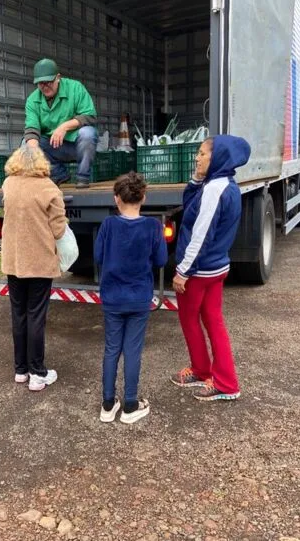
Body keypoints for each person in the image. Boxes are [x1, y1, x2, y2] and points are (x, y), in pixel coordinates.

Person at [171, 135, 249, 401]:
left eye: (202, 154)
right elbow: (191, 204)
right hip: (215, 268)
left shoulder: (215, 190)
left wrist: (183, 271)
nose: (197, 157)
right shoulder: (224, 185)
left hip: (200, 272)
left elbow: (200, 235)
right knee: (213, 321)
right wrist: (195, 179)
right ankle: (219, 378)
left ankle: (212, 376)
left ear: (217, 158)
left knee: (190, 320)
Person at [95, 172, 168, 424]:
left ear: (116, 199)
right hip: (139, 298)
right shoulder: (152, 227)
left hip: (112, 297)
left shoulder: (108, 225)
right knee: (132, 350)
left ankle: (107, 403)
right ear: (143, 197)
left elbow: (97, 256)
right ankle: (129, 404)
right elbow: (161, 260)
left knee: (111, 348)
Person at [1, 145, 67, 391]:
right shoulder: (49, 188)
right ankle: (38, 373)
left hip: (14, 261)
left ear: (16, 161)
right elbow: (59, 229)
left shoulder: (8, 184)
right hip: (39, 262)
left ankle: (21, 370)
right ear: (41, 163)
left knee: (18, 314)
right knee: (36, 315)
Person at [24, 58, 98, 189]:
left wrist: (64, 127)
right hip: (53, 147)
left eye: (49, 82)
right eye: (41, 84)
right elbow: (32, 129)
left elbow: (90, 116)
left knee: (88, 133)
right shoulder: (32, 100)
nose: (45, 87)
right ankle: (58, 173)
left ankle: (83, 177)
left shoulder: (75, 88)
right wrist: (33, 151)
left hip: (77, 145)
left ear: (58, 77)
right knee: (27, 144)